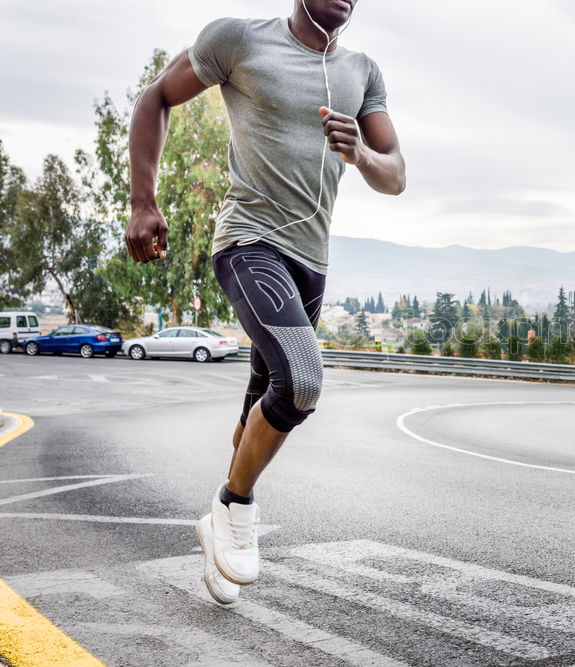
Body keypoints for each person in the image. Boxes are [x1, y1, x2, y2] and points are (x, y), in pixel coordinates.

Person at [125, 0, 405, 605]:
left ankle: (216, 531)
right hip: (249, 243)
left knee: (262, 406)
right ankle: (236, 506)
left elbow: (396, 175)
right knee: (303, 379)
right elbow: (155, 100)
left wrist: (361, 154)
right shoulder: (239, 40)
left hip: (313, 264)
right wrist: (143, 201)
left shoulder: (363, 72)